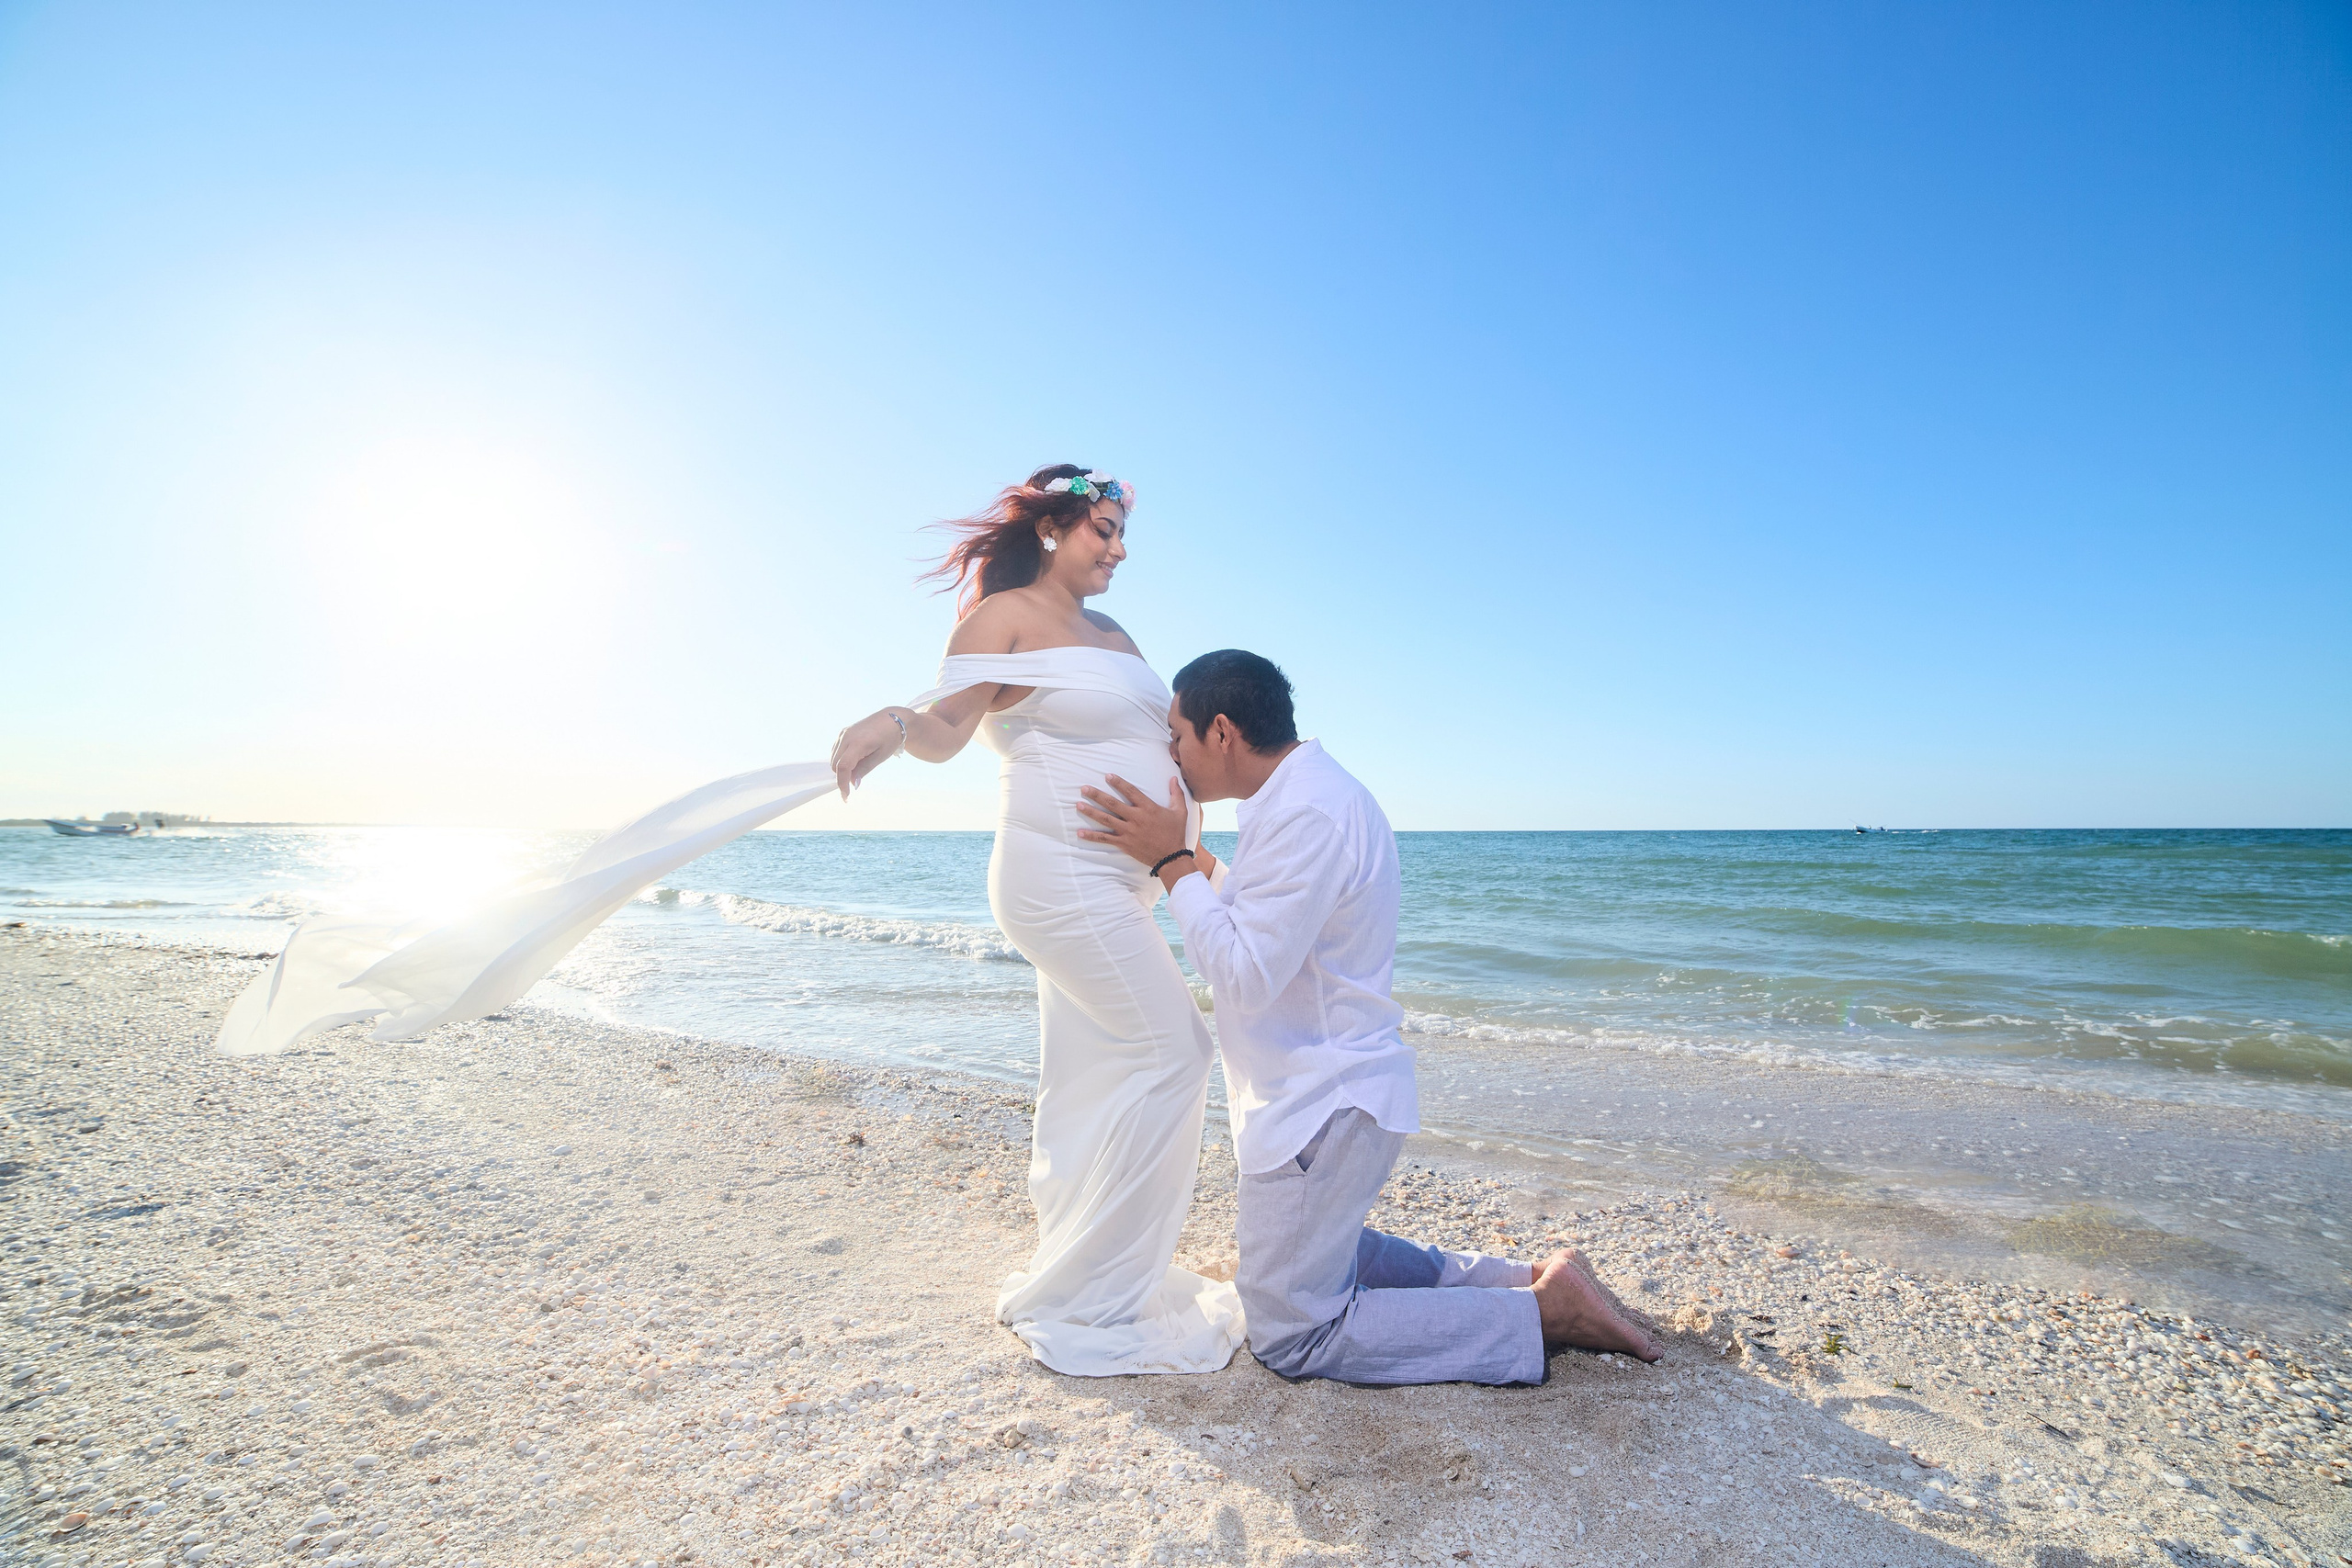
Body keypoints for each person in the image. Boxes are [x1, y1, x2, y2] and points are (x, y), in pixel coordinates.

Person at [1075, 650, 1663, 1383]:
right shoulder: (1301, 797)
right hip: (1334, 1095)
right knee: (1326, 1255)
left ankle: (1540, 1314)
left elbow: (1246, 972)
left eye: (1177, 736)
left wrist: (1169, 863)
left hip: (1324, 1103)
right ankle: (1522, 1277)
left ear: (1221, 731)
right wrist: (1189, 856)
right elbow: (1270, 919)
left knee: (1294, 1331)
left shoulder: (1308, 813)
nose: (1171, 752)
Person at [828, 465, 1246, 1377]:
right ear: (1053, 527)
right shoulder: (1002, 618)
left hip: (1124, 885)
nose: (1119, 549)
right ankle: (1093, 1296)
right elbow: (946, 732)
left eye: (1122, 532)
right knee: (1178, 1052)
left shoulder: (1114, 632)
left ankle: (1087, 1262)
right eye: (1104, 528)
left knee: (1094, 1076)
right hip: (1057, 878)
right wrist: (892, 723)